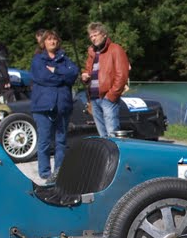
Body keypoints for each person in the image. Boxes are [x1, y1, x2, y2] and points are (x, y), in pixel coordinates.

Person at [30, 29, 79, 182]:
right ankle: (45, 173)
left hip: (62, 106)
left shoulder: (64, 59)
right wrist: (63, 78)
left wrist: (56, 70)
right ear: (43, 42)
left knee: (61, 142)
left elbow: (74, 73)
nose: (52, 42)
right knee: (44, 141)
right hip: (43, 107)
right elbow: (44, 78)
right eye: (49, 39)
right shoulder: (38, 60)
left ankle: (60, 172)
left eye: (55, 39)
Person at [81, 22, 129, 137]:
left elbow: (122, 75)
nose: (93, 38)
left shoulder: (115, 49)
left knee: (112, 133)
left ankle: (115, 155)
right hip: (93, 98)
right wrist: (84, 77)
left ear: (104, 34)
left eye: (95, 35)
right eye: (91, 36)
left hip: (107, 98)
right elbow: (87, 71)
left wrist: (111, 95)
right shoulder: (91, 52)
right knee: (102, 135)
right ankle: (107, 155)